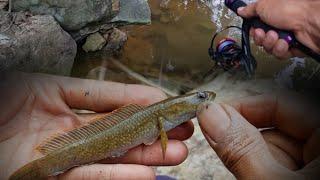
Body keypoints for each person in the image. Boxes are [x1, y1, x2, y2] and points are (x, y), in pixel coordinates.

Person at [0, 72, 194, 179]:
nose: (204, 99)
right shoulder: (159, 116)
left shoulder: (160, 117)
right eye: (200, 97)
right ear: (174, 108)